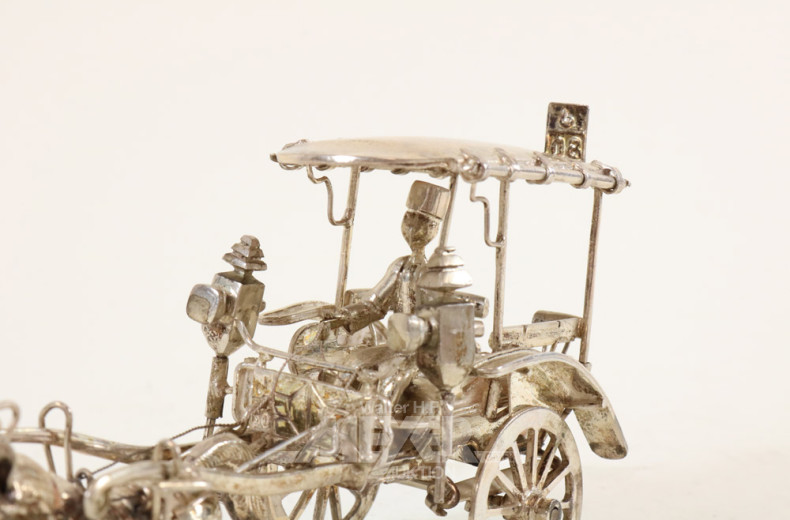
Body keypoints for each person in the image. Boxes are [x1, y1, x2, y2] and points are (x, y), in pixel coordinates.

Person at [331, 180, 450, 334]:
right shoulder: (401, 266)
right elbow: (376, 304)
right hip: (400, 338)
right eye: (409, 217)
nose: (413, 227)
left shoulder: (437, 273)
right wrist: (345, 316)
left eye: (424, 222)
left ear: (434, 228)